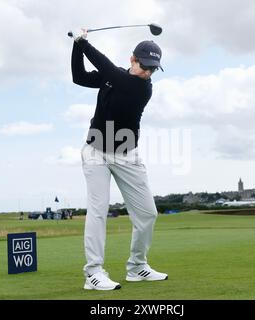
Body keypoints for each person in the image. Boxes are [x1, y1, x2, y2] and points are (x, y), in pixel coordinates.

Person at [71, 29, 168, 291]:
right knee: (98, 210)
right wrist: (77, 47)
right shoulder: (115, 77)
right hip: (96, 153)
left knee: (148, 213)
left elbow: (107, 68)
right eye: (145, 66)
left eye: (153, 69)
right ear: (132, 59)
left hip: (128, 155)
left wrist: (83, 41)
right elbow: (79, 77)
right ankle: (93, 273)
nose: (148, 73)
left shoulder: (141, 87)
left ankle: (137, 266)